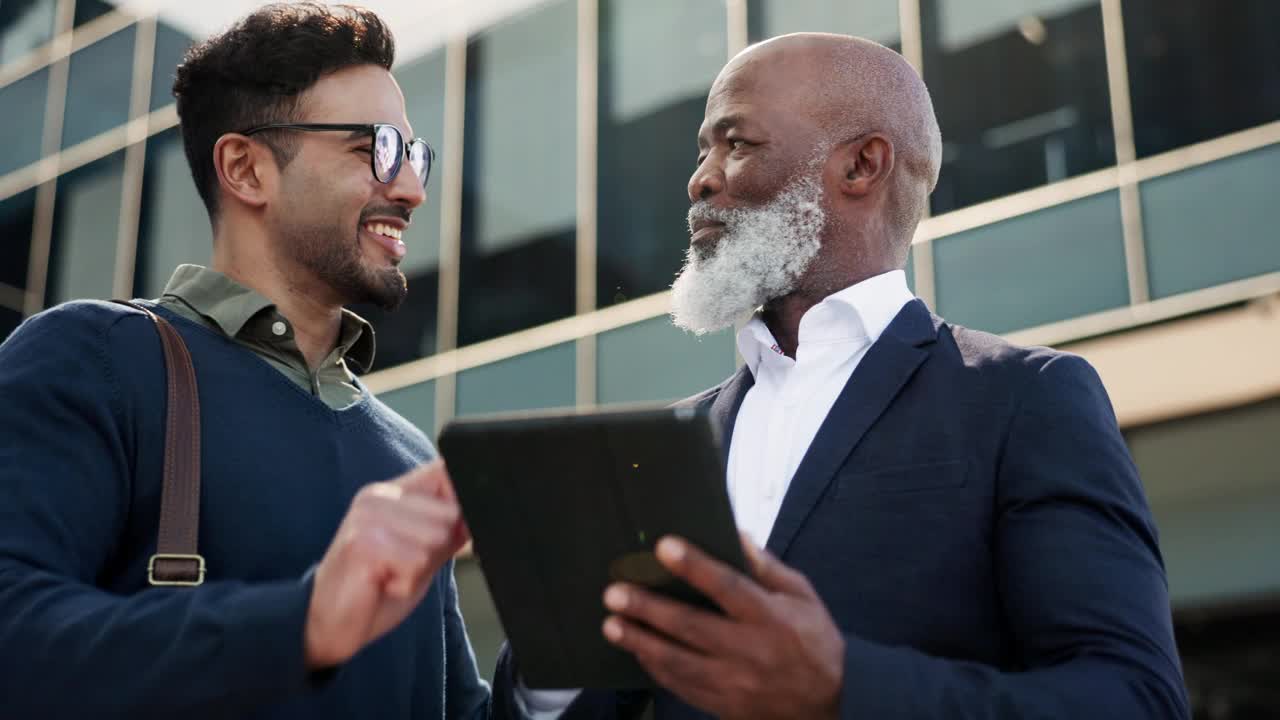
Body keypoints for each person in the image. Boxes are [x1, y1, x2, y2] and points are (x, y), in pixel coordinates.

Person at [495, 33, 1191, 719]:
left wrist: (842, 686)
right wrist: (549, 657)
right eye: (704, 149)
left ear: (861, 165)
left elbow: (1133, 699)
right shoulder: (666, 448)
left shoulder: (1027, 399)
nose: (700, 178)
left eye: (736, 144)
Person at [0, 5, 495, 718]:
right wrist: (303, 623)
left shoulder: (405, 451)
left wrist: (576, 657)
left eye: (414, 155)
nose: (413, 189)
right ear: (245, 169)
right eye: (374, 149)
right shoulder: (93, 357)